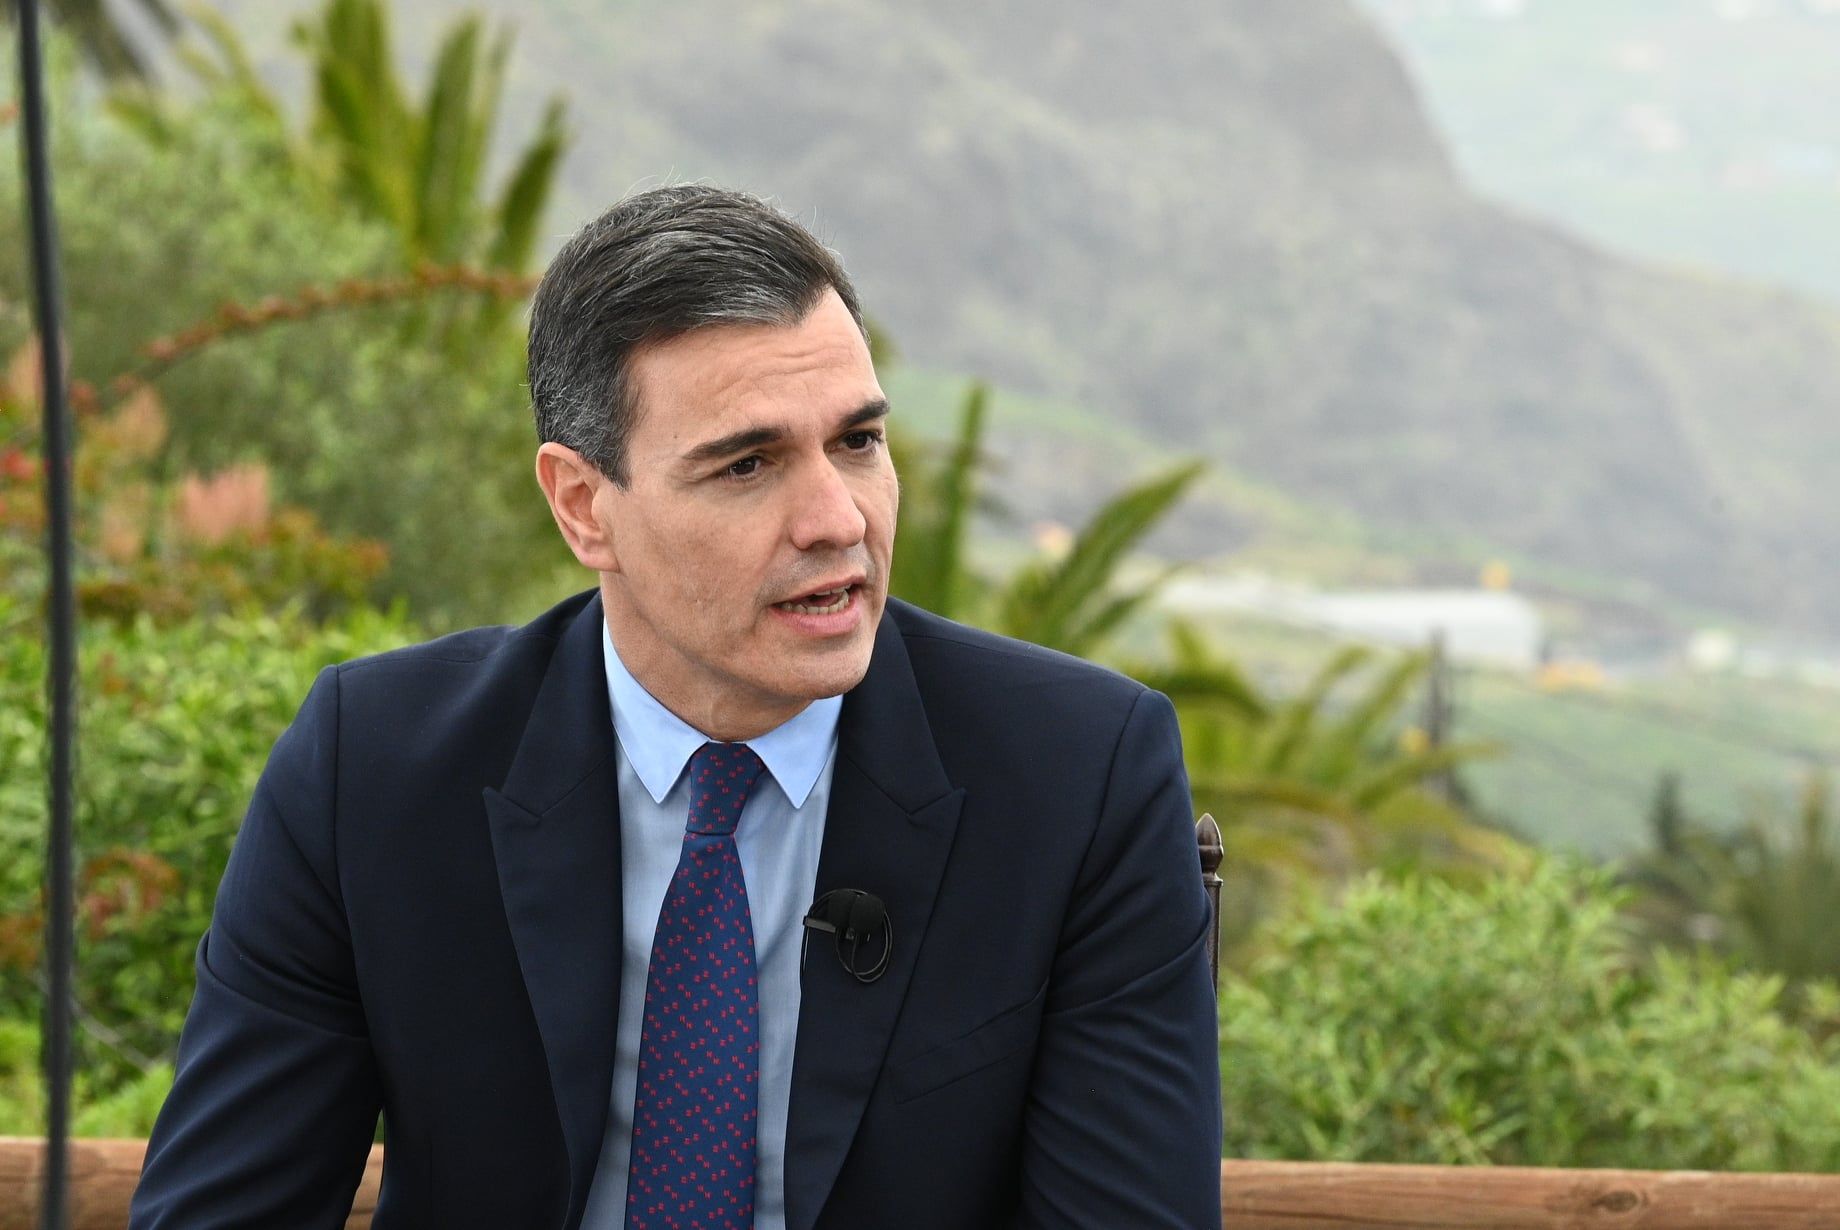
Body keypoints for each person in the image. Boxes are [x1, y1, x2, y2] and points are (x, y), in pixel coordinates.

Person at [130, 186, 1222, 1230]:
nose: (838, 520)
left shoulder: (1081, 776)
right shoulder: (371, 771)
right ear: (582, 507)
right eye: (747, 465)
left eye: (857, 442)